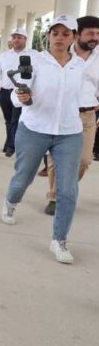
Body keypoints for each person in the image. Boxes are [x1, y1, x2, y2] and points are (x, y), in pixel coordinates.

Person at [1, 15, 85, 264]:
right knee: (23, 177)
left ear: (73, 37)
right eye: (55, 33)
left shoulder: (79, 66)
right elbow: (19, 95)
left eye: (66, 33)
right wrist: (22, 98)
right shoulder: (34, 61)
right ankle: (11, 200)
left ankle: (59, 240)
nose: (60, 38)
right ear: (48, 36)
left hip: (69, 132)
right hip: (35, 128)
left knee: (68, 188)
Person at [43, 15, 99, 215]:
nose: (95, 37)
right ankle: (56, 196)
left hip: (87, 117)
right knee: (57, 160)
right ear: (77, 35)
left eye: (98, 33)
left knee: (84, 160)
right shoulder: (61, 54)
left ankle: (66, 188)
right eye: (90, 33)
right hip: (62, 114)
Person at [0, 28, 34, 157]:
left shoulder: (33, 55)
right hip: (5, 92)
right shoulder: (5, 55)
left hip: (20, 92)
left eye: (19, 37)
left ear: (25, 39)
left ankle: (11, 147)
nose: (16, 40)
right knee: (8, 120)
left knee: (15, 120)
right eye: (14, 37)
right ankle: (9, 142)